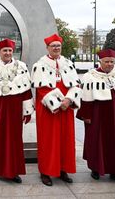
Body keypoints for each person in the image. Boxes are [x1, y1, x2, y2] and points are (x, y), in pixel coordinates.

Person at [0, 38, 34, 184]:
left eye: (10, 50)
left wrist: (27, 111)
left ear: (12, 51)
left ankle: (13, 172)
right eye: (5, 50)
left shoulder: (21, 66)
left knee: (15, 141)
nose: (8, 53)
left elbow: (26, 92)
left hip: (15, 111)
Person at [76, 48, 115, 182]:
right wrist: (86, 115)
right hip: (97, 116)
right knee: (96, 142)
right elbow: (85, 97)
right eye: (107, 62)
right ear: (100, 61)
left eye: (112, 62)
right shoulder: (90, 76)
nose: (109, 64)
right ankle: (95, 169)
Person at [31, 33, 81, 186]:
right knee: (48, 140)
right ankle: (46, 171)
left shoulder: (68, 63)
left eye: (58, 46)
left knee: (66, 140)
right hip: (48, 109)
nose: (56, 48)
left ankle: (63, 169)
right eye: (53, 46)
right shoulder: (39, 65)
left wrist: (69, 99)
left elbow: (76, 84)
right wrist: (59, 103)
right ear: (47, 48)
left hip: (66, 109)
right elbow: (41, 90)